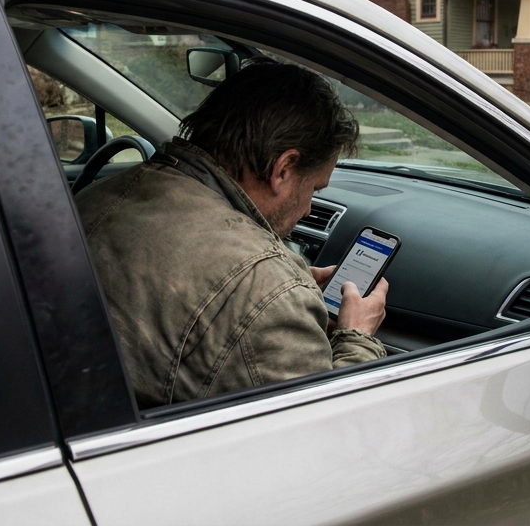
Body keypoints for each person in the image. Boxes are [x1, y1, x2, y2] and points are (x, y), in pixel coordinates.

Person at [76, 61, 389, 408]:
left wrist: (285, 281)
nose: (307, 210)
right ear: (283, 169)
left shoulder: (94, 197)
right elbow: (328, 430)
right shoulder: (267, 292)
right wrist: (356, 337)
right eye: (314, 188)